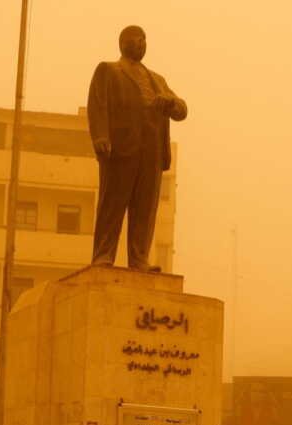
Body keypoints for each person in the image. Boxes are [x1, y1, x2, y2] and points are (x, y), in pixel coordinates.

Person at [87, 25, 187, 272]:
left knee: (145, 208)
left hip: (151, 152)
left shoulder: (158, 80)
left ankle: (139, 258)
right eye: (136, 40)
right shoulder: (109, 71)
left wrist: (171, 101)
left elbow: (182, 111)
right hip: (120, 149)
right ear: (123, 43)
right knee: (112, 203)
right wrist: (100, 136)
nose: (141, 44)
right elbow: (97, 105)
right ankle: (103, 254)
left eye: (144, 40)